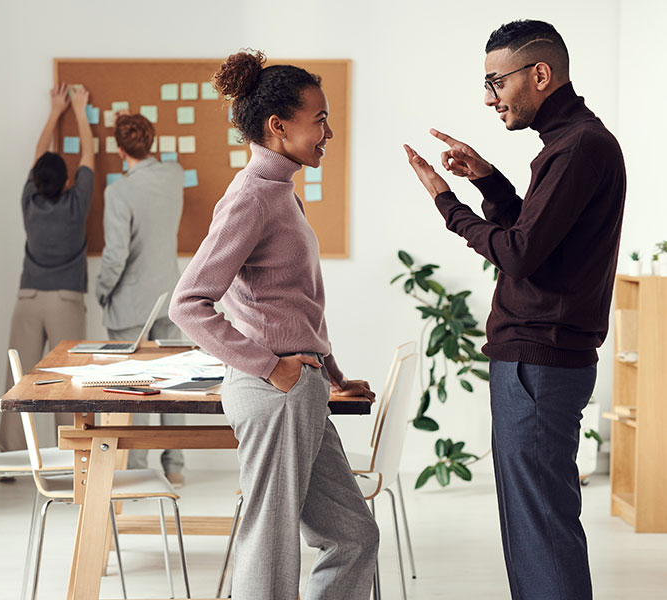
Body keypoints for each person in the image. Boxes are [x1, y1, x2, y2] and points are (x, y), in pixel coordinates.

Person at [404, 20, 625, 600]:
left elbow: (519, 253)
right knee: (539, 525)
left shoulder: (576, 148)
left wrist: (446, 203)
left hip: (539, 362)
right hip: (545, 360)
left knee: (540, 530)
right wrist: (488, 179)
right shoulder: (571, 145)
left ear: (541, 75)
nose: (488, 98)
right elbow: (543, 238)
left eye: (495, 82)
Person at [169, 50, 379, 599]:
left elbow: (296, 303)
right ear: (278, 126)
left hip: (302, 387)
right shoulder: (251, 197)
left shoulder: (282, 192)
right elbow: (188, 302)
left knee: (353, 536)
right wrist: (269, 366)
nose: (329, 131)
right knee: (271, 540)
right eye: (320, 119)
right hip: (275, 391)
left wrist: (332, 373)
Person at [0, 82, 94, 452]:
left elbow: (40, 155)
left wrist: (56, 110)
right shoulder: (76, 204)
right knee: (69, 379)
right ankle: (71, 452)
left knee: (18, 376)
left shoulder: (30, 201)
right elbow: (89, 157)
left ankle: (8, 450)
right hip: (66, 300)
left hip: (28, 298)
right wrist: (81, 112)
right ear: (68, 182)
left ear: (36, 181)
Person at [95, 112, 186, 486]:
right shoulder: (175, 176)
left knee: (135, 387)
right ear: (151, 142)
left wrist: (102, 290)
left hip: (131, 303)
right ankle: (175, 466)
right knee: (174, 381)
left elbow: (115, 255)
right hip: (170, 295)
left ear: (118, 150)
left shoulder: (118, 192)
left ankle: (137, 468)